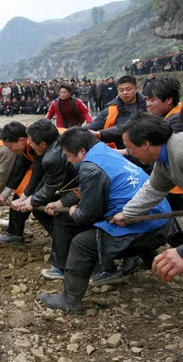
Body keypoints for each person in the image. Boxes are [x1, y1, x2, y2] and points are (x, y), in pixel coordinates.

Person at [39, 127, 173, 313]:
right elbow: (91, 190)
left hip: (145, 225)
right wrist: (62, 202)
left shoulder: (90, 167)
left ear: (82, 151)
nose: (69, 161)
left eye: (69, 156)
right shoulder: (104, 151)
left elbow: (87, 215)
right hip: (163, 220)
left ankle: (69, 301)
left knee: (81, 244)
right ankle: (149, 259)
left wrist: (74, 212)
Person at [111, 114, 183, 282]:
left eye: (129, 147)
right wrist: (127, 213)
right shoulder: (164, 160)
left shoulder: (180, 154)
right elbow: (152, 190)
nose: (128, 152)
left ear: (145, 144)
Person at [15, 119, 81, 280]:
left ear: (43, 143)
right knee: (47, 210)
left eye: (31, 143)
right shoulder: (57, 143)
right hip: (79, 184)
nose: (29, 146)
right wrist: (29, 199)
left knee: (61, 218)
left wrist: (30, 202)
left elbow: (51, 187)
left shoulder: (52, 157)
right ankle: (64, 246)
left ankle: (62, 266)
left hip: (83, 188)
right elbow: (44, 180)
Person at [0, 122, 45, 245]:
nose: (10, 151)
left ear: (21, 140)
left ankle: (63, 242)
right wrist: (5, 194)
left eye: (10, 147)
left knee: (39, 205)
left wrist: (25, 198)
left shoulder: (35, 144)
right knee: (20, 195)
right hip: (43, 171)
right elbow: (19, 171)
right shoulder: (25, 146)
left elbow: (38, 175)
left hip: (59, 172)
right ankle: (14, 233)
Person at [87, 76, 146, 149]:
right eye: (121, 90)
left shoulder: (147, 106)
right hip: (119, 149)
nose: (125, 93)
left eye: (128, 89)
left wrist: (100, 134)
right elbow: (93, 127)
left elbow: (132, 126)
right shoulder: (111, 109)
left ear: (137, 88)